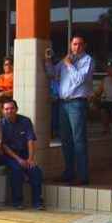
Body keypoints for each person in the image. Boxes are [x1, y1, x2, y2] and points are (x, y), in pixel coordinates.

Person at [45, 35, 95, 185]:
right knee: (66, 140)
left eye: (80, 44)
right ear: (70, 45)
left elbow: (80, 79)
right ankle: (69, 173)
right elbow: (52, 74)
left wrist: (68, 65)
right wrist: (47, 60)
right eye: (74, 44)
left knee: (78, 140)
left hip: (77, 104)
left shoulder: (88, 60)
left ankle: (82, 176)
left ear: (84, 45)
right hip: (63, 103)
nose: (77, 47)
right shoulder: (67, 59)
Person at [0, 99, 45, 210]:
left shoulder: (25, 121)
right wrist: (18, 159)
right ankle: (17, 201)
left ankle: (37, 202)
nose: (9, 111)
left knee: (35, 171)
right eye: (6, 109)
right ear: (3, 111)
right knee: (17, 170)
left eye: (12, 108)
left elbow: (30, 140)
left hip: (25, 155)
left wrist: (30, 158)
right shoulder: (0, 124)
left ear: (16, 109)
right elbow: (4, 146)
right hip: (10, 156)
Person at [97, 62, 112, 135]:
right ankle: (106, 128)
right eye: (108, 69)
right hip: (107, 101)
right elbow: (98, 91)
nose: (108, 70)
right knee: (103, 111)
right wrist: (93, 97)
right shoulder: (105, 79)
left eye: (110, 68)